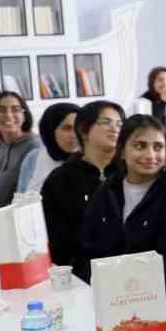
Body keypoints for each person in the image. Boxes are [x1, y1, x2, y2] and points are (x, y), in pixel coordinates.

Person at [75, 116, 166, 298]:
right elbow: (89, 249)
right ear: (122, 151)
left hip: (158, 296)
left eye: (158, 147)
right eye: (140, 146)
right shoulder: (107, 191)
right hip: (107, 293)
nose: (150, 155)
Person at [42, 101, 124, 271]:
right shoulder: (60, 179)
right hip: (80, 274)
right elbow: (55, 239)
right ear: (83, 130)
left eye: (119, 124)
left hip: (130, 268)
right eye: (105, 122)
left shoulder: (130, 172)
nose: (115, 128)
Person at [0, 92, 41, 214]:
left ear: (24, 115)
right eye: (1, 110)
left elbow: (30, 198)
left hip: (19, 223)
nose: (8, 115)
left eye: (15, 109)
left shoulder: (36, 148)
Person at [17, 102, 80, 196]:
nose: (74, 135)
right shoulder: (33, 158)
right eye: (67, 128)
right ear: (50, 130)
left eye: (78, 127)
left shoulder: (93, 159)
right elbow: (20, 199)